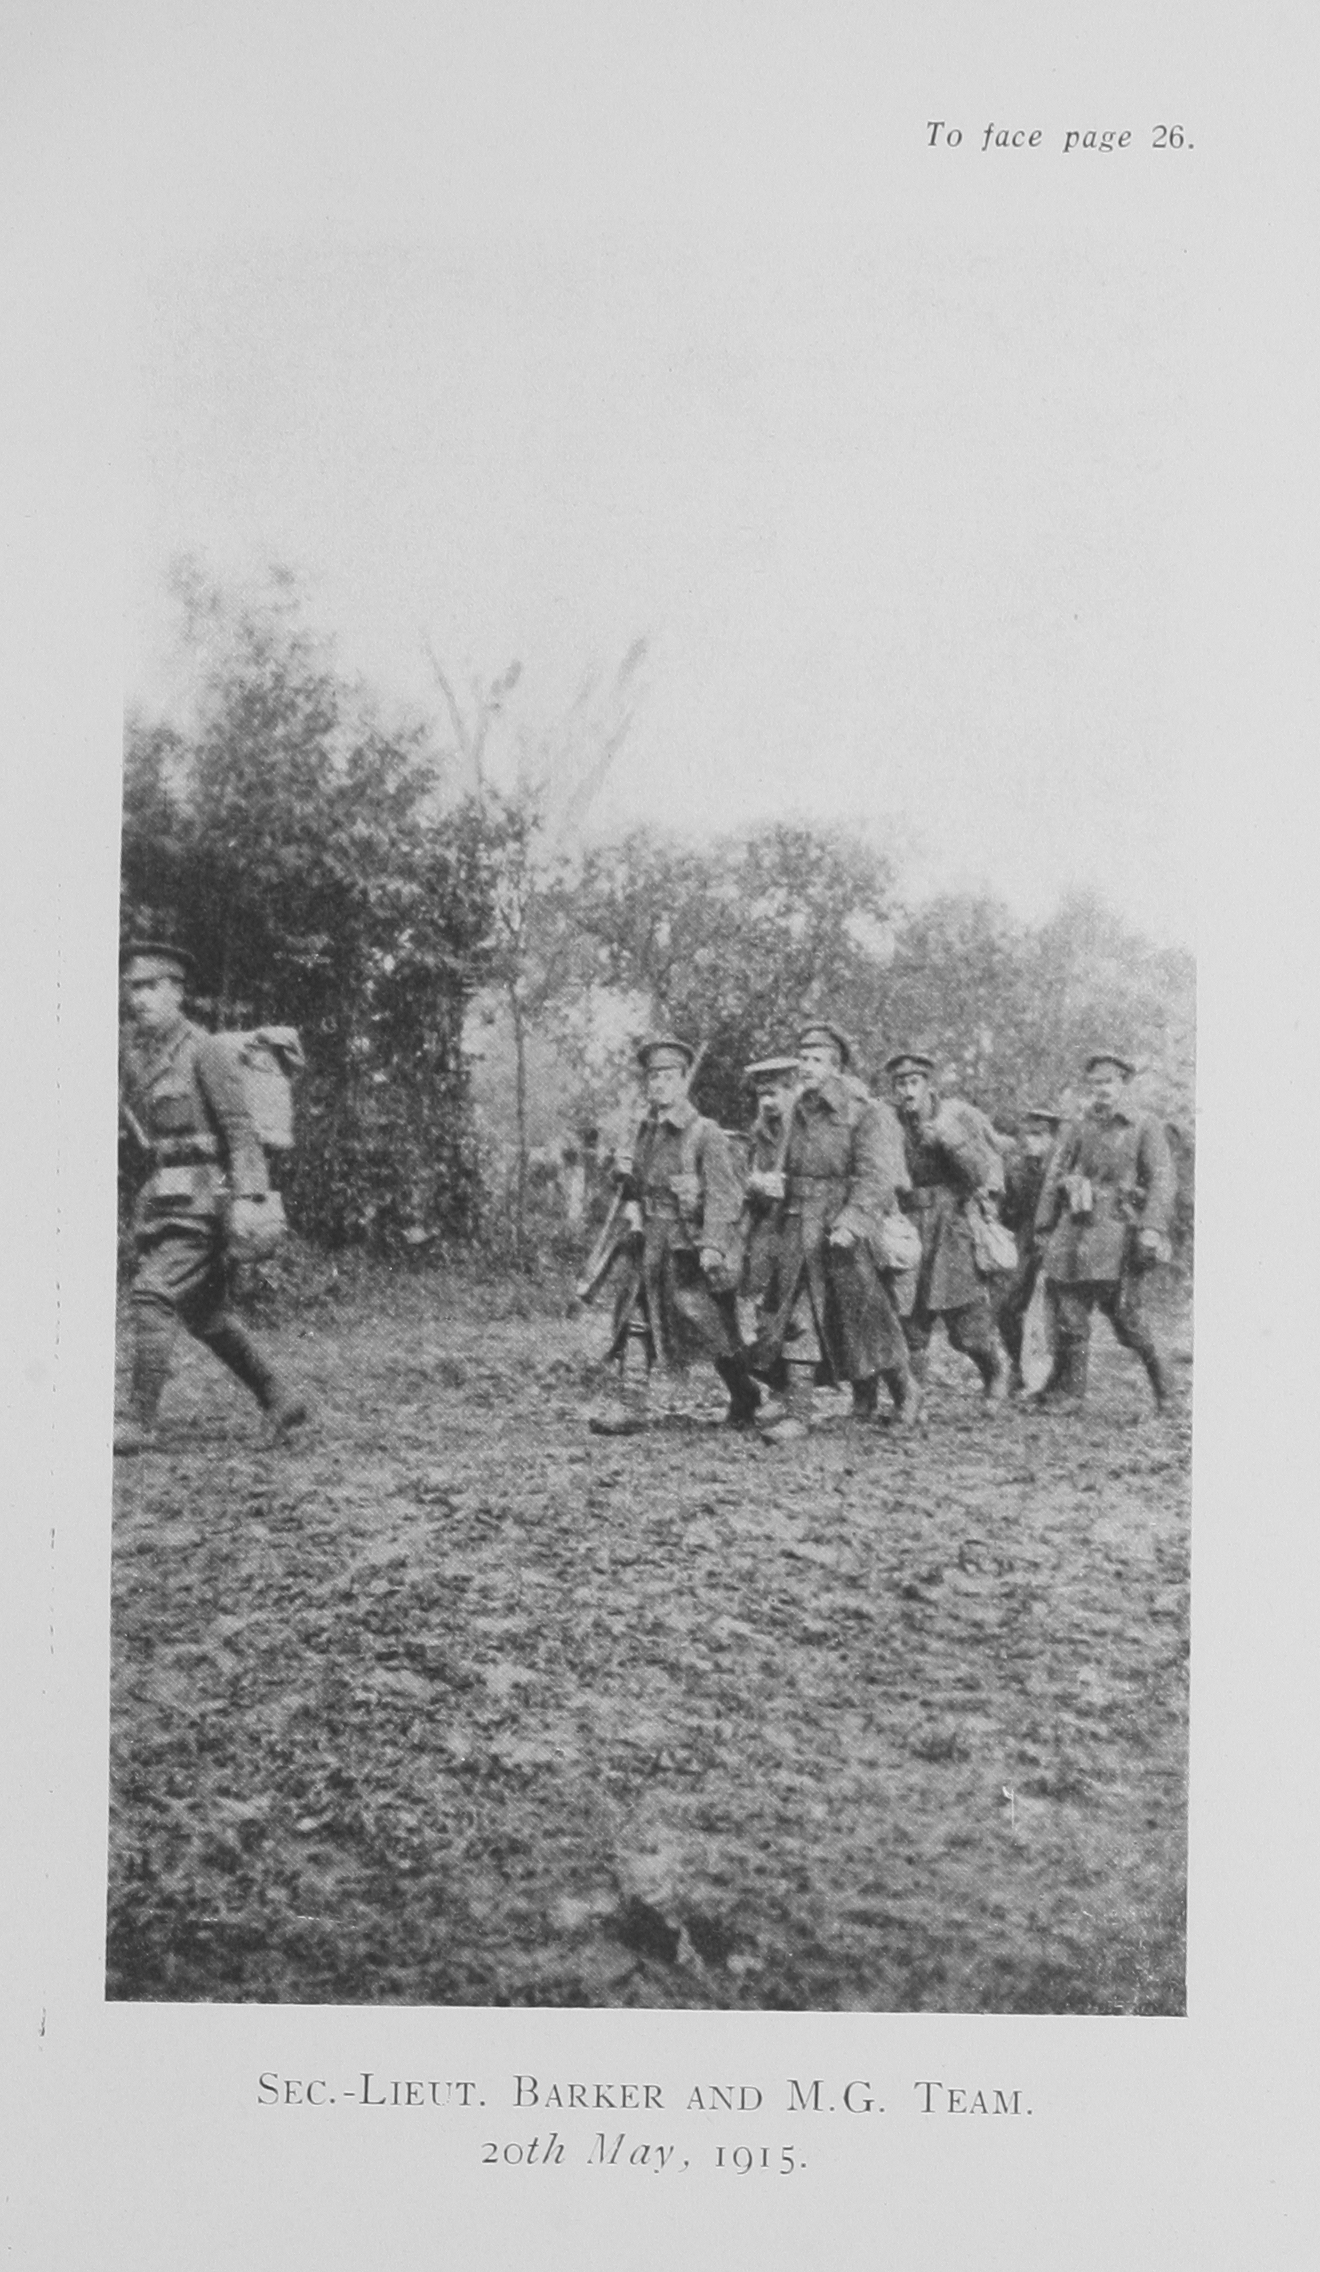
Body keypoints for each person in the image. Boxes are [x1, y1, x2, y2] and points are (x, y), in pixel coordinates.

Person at [114, 941, 307, 1454]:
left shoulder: (206, 1049)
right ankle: (280, 1397)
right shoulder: (136, 1055)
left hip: (206, 1201)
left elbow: (240, 1131)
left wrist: (251, 1199)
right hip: (163, 1200)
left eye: (150, 986)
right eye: (133, 987)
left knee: (152, 1293)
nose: (138, 998)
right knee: (205, 1316)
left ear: (177, 991)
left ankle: (139, 1421)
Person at [746, 1023, 918, 1441]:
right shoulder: (795, 1111)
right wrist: (768, 1185)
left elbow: (876, 1178)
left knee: (867, 1321)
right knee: (798, 1317)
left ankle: (906, 1393)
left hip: (843, 1234)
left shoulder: (865, 1112)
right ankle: (800, 1412)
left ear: (836, 1067)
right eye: (803, 1058)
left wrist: (851, 1224)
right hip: (798, 1229)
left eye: (816, 1060)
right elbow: (782, 1165)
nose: (806, 1067)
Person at [591, 1037, 759, 1435]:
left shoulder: (705, 1133)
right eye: (653, 1077)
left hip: (687, 1248)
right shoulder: (643, 1131)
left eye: (668, 1077)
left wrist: (714, 1245)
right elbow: (635, 1190)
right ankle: (631, 1404)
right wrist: (621, 1174)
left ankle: (745, 1393)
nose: (659, 1084)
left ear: (684, 1081)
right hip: (647, 1241)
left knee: (710, 1329)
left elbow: (724, 1196)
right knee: (636, 1316)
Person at [1030, 1050, 1176, 1412]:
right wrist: (1045, 1224)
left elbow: (1162, 1180)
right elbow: (1054, 1176)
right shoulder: (1078, 1126)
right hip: (1075, 1231)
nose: (1101, 1089)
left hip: (1119, 1232)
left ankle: (1168, 1391)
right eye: (1095, 1083)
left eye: (1108, 1082)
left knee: (1128, 1320)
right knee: (1069, 1315)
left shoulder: (1144, 1125)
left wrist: (1152, 1228)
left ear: (1123, 1083)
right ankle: (1071, 1394)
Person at [887, 1048, 1010, 1406]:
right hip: (909, 1223)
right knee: (910, 1321)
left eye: (914, 1082)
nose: (907, 1091)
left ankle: (995, 1371)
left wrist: (948, 1140)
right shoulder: (889, 1119)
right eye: (900, 1084)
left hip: (951, 1225)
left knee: (966, 1325)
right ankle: (912, 1401)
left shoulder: (955, 1115)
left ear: (928, 1085)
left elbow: (981, 1173)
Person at [996, 1105, 1062, 1393]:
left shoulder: (1064, 1166)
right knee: (1007, 1307)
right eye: (1029, 1134)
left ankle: (1054, 1378)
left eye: (1040, 1135)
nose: (1032, 1141)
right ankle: (1018, 1366)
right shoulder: (1017, 1167)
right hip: (1024, 1242)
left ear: (1052, 1137)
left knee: (1055, 1313)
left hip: (1058, 1241)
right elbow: (1008, 1212)